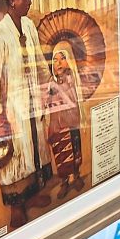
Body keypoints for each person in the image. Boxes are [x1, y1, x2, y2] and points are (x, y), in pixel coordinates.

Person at [0, 0, 52, 229]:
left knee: (35, 152)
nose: (30, 2)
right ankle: (16, 210)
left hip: (32, 104)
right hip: (12, 110)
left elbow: (39, 62)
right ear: (12, 0)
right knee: (15, 160)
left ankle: (31, 196)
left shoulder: (29, 26)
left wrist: (48, 86)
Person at [45, 41, 84, 198]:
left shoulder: (71, 78)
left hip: (71, 122)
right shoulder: (51, 82)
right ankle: (64, 182)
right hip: (58, 125)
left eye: (62, 59)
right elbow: (48, 102)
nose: (58, 63)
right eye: (55, 60)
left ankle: (77, 175)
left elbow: (72, 95)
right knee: (61, 153)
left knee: (75, 149)